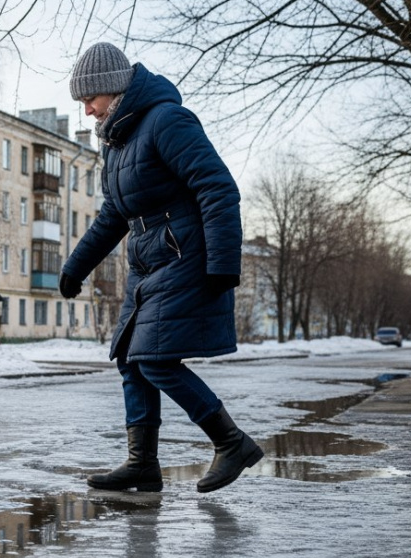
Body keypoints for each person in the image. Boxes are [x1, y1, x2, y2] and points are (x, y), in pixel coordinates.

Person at [57, 42, 263, 494]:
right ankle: (142, 464)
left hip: (186, 255)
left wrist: (224, 262)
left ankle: (232, 443)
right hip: (146, 262)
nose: (86, 110)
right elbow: (114, 214)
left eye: (90, 99)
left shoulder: (167, 121)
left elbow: (218, 189)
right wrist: (77, 266)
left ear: (112, 90)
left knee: (156, 361)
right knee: (129, 359)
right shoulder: (116, 145)